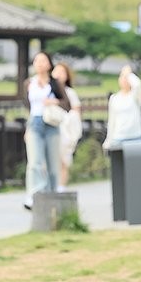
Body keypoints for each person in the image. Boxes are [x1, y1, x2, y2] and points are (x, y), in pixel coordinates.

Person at [24, 51, 70, 207]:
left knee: (52, 162)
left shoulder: (55, 83)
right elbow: (27, 106)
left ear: (49, 64)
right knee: (35, 160)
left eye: (43, 61)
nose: (40, 64)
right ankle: (34, 193)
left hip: (51, 124)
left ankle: (52, 192)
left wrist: (54, 101)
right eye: (37, 61)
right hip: (35, 123)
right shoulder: (29, 83)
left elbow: (67, 104)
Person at [52, 62, 83, 191]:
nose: (58, 74)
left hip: (65, 130)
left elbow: (76, 111)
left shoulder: (70, 93)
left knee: (63, 161)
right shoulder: (48, 91)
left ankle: (61, 186)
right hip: (51, 128)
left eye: (62, 72)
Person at [103, 65, 141, 150]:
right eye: (122, 76)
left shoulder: (135, 96)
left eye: (127, 77)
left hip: (135, 137)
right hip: (118, 138)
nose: (124, 79)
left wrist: (129, 74)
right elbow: (112, 121)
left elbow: (138, 85)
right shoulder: (114, 98)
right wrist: (108, 140)